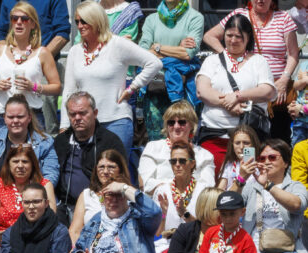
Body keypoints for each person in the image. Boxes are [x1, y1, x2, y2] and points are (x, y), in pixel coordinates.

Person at [60, 2, 162, 155]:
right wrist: (64, 124)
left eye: (84, 21)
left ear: (96, 20)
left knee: (116, 173)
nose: (79, 26)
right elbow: (69, 91)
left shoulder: (117, 44)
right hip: (85, 124)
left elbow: (154, 63)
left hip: (116, 121)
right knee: (89, 174)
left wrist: (132, 87)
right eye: (77, 22)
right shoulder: (75, 51)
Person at [204, 0, 297, 141]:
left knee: (277, 141)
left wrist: (284, 79)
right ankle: (248, 160)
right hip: (246, 89)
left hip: (276, 90)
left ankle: (267, 160)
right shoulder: (239, 15)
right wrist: (227, 57)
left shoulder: (283, 18)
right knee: (248, 140)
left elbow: (293, 54)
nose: (261, 0)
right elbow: (209, 36)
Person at [196, 15, 276, 172]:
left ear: (248, 37)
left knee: (248, 177)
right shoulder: (212, 61)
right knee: (215, 183)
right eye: (229, 35)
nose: (233, 40)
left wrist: (239, 96)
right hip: (215, 137)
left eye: (238, 36)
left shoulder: (258, 61)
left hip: (248, 140)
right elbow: (202, 91)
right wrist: (229, 104)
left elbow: (267, 90)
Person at [0, 4, 63, 131]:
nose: (19, 23)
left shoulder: (42, 53)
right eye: (15, 19)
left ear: (33, 24)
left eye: (24, 19)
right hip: (2, 116)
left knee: (34, 151)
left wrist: (34, 87)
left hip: (32, 116)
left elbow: (56, 87)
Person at [54, 92, 131, 216]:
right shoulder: (61, 141)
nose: (77, 118)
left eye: (83, 113)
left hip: (101, 206)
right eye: (73, 114)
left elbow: (121, 177)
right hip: (66, 208)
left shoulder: (110, 141)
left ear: (95, 113)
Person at [241, 139, 308, 253]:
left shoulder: (295, 186)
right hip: (253, 251)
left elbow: (297, 205)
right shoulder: (251, 187)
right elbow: (229, 206)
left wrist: (269, 186)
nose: (266, 162)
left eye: (272, 157)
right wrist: (241, 178)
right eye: (262, 158)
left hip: (286, 252)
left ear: (285, 162)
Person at [139, 6, 205, 140]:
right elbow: (143, 53)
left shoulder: (195, 17)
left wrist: (157, 47)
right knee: (158, 143)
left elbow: (187, 54)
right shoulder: (151, 19)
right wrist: (178, 48)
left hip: (183, 89)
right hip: (155, 89)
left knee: (184, 142)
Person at [0, 96, 59, 200]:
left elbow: (51, 173)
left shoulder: (45, 142)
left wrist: (32, 196)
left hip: (34, 199)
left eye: (20, 117)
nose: (15, 121)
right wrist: (4, 196)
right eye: (11, 117)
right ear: (4, 118)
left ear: (29, 118)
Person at [139, 101, 216, 202]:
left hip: (193, 206)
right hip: (159, 205)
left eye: (182, 122)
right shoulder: (152, 148)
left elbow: (208, 187)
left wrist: (166, 187)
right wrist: (180, 189)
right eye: (171, 122)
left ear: (192, 126)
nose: (176, 126)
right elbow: (146, 184)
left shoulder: (205, 155)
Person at [0, 143, 56, 248]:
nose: (20, 166)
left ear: (33, 164)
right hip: (4, 245)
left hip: (35, 244)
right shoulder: (0, 185)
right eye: (15, 161)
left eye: (25, 161)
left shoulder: (45, 185)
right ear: (8, 164)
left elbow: (50, 219)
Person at [153, 140, 208, 253]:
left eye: (182, 161)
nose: (177, 164)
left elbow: (206, 230)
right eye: (173, 161)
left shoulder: (203, 191)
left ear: (192, 164)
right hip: (167, 247)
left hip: (195, 246)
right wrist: (163, 215)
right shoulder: (162, 191)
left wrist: (185, 214)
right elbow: (157, 235)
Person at [68, 148, 132, 243]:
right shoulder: (87, 195)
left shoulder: (130, 194)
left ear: (120, 169)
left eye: (111, 167)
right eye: (101, 167)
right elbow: (74, 231)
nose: (105, 171)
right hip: (89, 250)